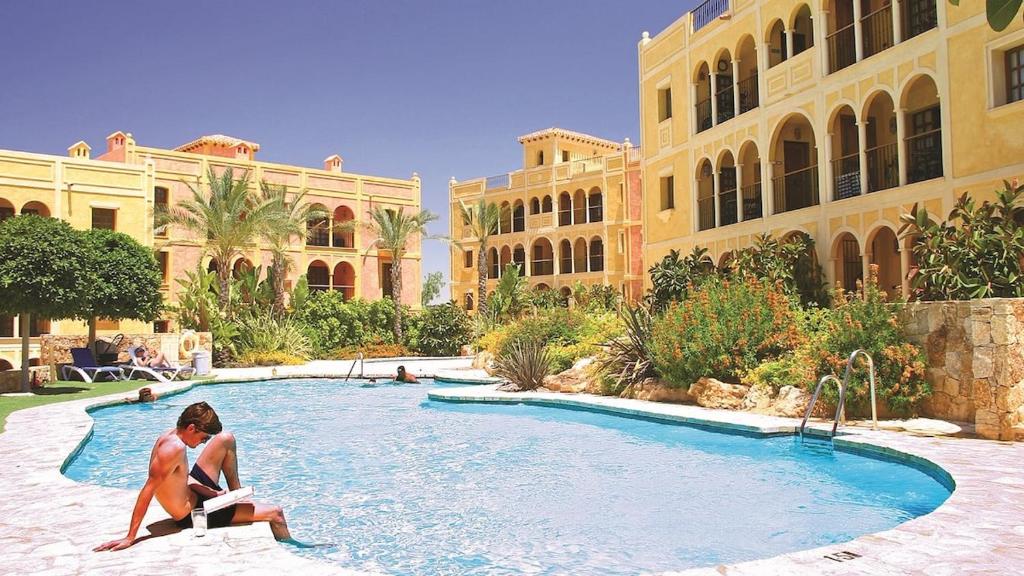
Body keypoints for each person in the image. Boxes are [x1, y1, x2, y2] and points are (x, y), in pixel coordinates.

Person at [94, 402, 290, 551]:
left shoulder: (171, 436)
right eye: (204, 437)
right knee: (276, 513)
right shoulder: (173, 449)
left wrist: (211, 492)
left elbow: (182, 478)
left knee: (226, 439)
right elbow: (148, 490)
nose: (204, 442)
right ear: (191, 428)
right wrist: (130, 537)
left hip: (198, 495)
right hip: (195, 514)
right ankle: (290, 546)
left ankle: (236, 496)